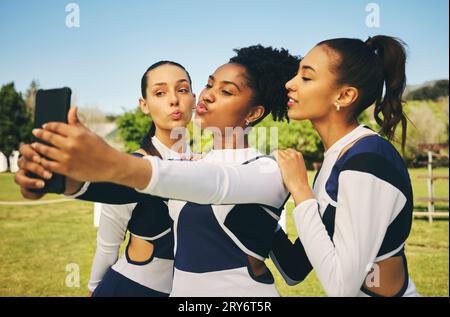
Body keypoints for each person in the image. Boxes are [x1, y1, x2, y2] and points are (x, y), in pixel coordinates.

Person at [17, 45, 311, 296]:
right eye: (208, 85)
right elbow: (135, 187)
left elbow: (215, 183)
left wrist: (107, 159)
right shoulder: (193, 163)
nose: (206, 96)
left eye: (225, 91)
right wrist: (63, 182)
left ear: (253, 113)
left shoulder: (266, 170)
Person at [17, 61, 195, 297]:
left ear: (194, 98)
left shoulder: (207, 165)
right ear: (144, 105)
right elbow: (108, 246)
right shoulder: (126, 168)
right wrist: (94, 289)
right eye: (159, 93)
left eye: (182, 90)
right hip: (130, 289)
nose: (174, 100)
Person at [276, 35, 419, 297]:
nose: (290, 83)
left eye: (306, 77)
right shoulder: (337, 157)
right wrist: (257, 203)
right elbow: (294, 268)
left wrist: (300, 190)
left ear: (345, 95)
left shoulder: (369, 160)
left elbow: (341, 287)